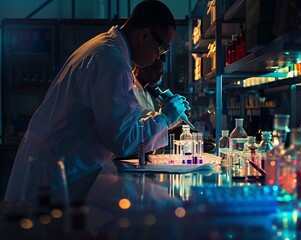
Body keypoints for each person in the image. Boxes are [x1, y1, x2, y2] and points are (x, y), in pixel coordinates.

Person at [5, 0, 190, 204]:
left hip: (54, 166)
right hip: (55, 174)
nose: (158, 58)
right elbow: (124, 139)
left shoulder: (105, 48)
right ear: (144, 35)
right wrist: (166, 118)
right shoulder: (111, 62)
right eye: (161, 49)